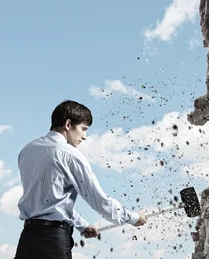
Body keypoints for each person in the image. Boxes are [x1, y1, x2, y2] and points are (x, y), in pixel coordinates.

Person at [14, 100, 147, 259]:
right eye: (83, 129)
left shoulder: (27, 150)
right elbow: (99, 201)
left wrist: (82, 225)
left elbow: (49, 200)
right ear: (68, 124)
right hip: (53, 242)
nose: (84, 136)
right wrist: (133, 218)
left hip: (27, 239)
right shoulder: (69, 154)